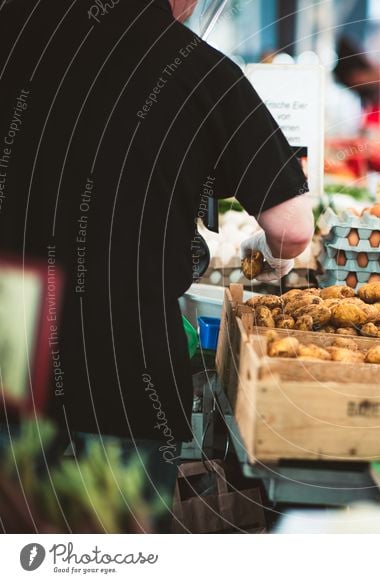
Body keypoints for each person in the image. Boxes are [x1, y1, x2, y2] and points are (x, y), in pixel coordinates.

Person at [0, 0, 313, 530]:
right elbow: (293, 228)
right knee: (105, 552)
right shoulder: (196, 67)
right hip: (122, 369)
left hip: (11, 350)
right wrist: (265, 257)